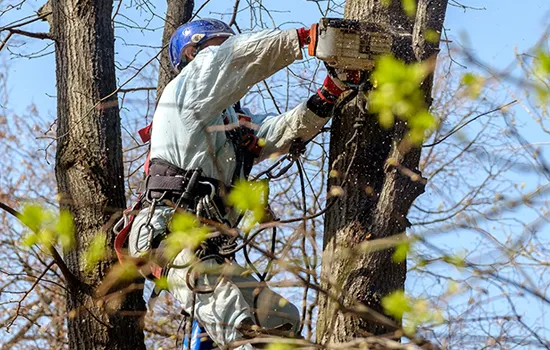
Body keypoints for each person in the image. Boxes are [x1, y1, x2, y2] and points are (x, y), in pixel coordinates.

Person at [127, 18, 354, 349]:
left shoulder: (230, 122)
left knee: (280, 317)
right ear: (193, 53)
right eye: (220, 44)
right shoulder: (184, 93)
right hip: (170, 234)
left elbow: (281, 132)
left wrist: (331, 91)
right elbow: (233, 58)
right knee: (231, 313)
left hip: (208, 246)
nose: (228, 48)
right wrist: (305, 39)